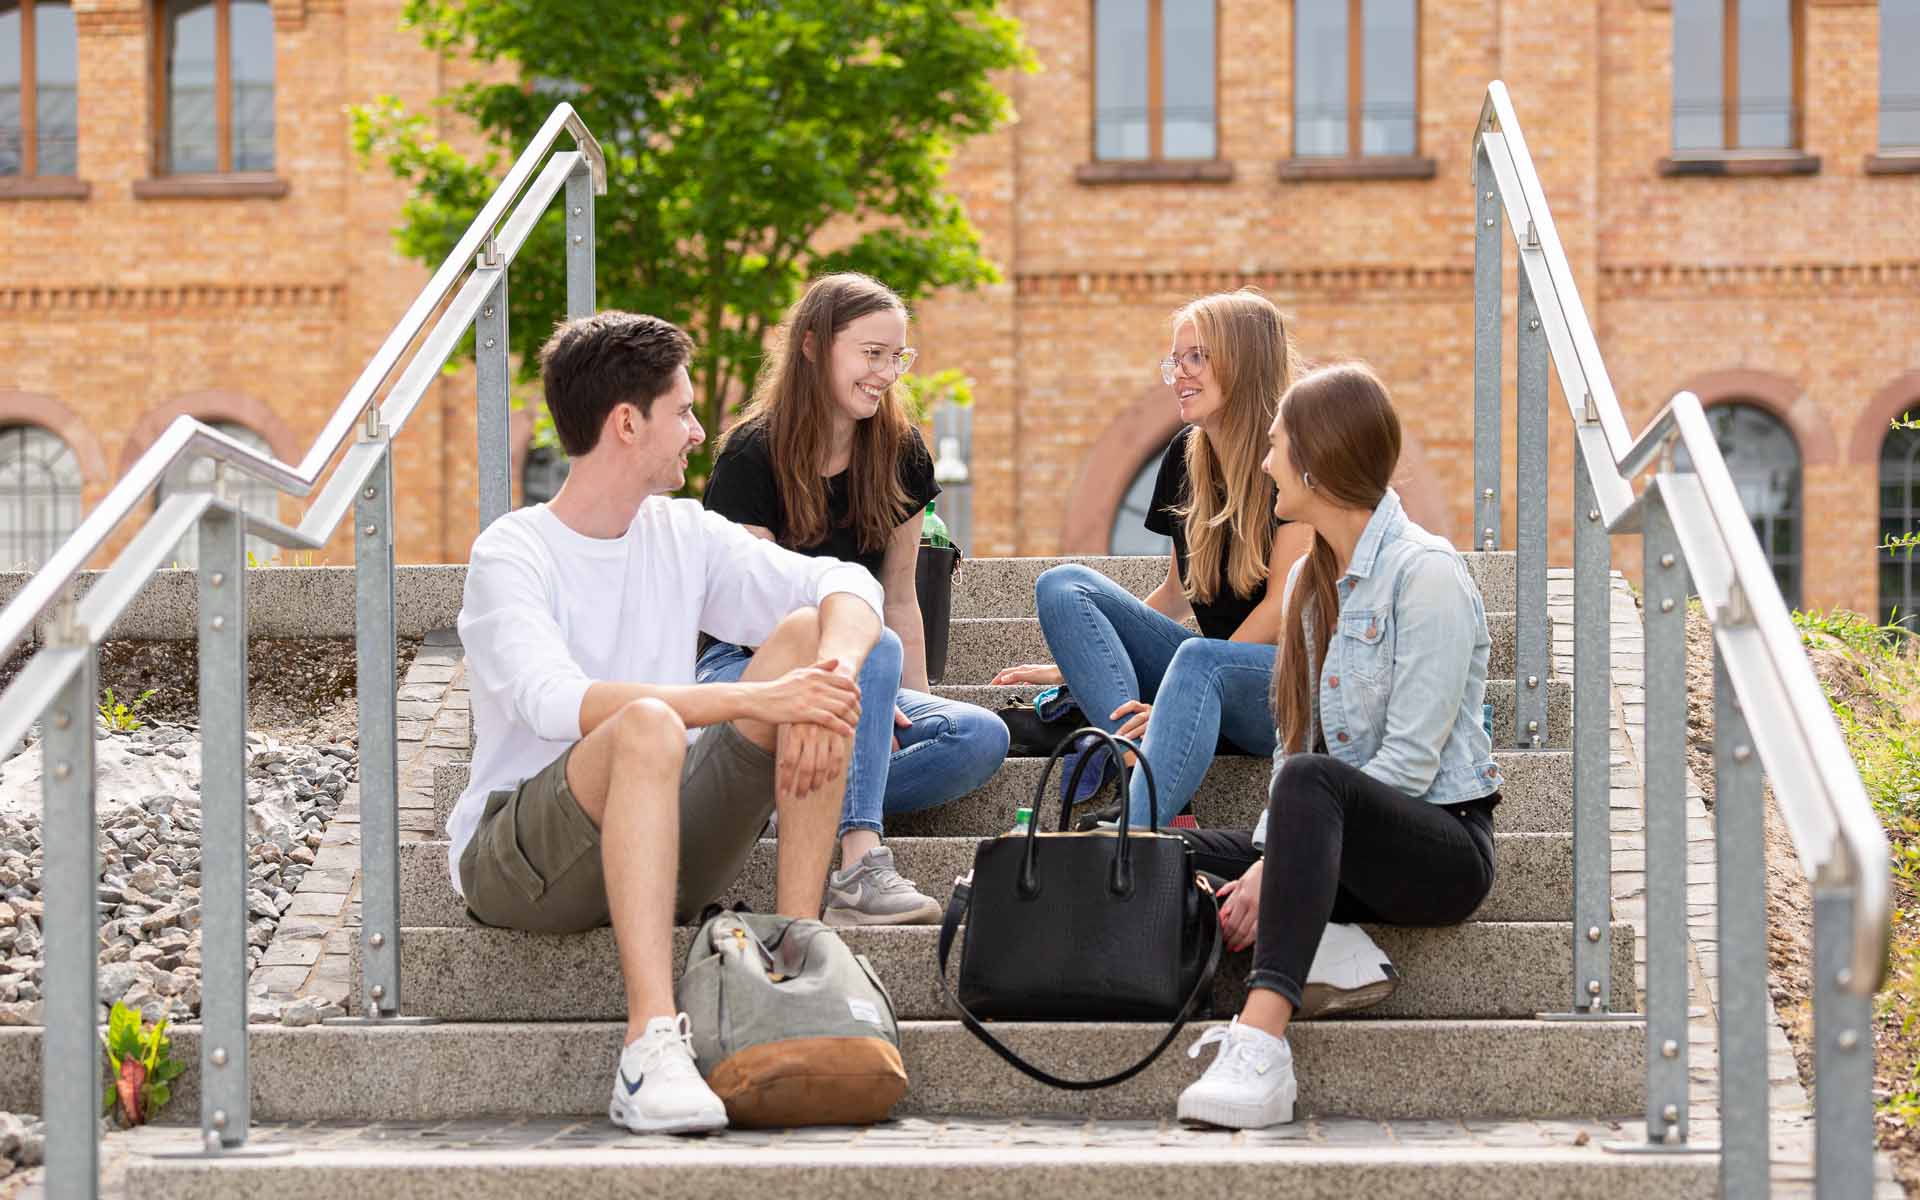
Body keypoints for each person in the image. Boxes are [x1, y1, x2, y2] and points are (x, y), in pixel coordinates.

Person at [451, 311, 885, 1135]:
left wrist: (831, 679)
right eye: (682, 411)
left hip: (659, 833)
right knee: (647, 720)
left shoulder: (684, 533)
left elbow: (845, 586)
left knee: (808, 640)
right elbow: (557, 703)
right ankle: (649, 1045)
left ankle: (798, 971)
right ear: (626, 423)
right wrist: (761, 701)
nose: (698, 430)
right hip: (522, 858)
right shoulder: (514, 552)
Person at [1175, 362, 1504, 1130]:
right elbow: (1294, 745)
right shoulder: (1309, 585)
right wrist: (1268, 857)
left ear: (1316, 461)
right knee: (1170, 854)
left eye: (1277, 445)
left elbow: (1411, 767)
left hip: (1441, 848)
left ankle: (1261, 1046)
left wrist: (1275, 862)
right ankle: (1327, 942)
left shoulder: (1426, 575)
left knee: (1312, 785)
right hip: (1332, 840)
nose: (1264, 463)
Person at [702, 273, 1009, 926]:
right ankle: (858, 865)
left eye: (897, 356)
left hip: (860, 673)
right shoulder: (750, 457)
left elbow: (900, 597)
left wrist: (897, 697)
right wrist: (859, 682)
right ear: (813, 346)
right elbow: (750, 617)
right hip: (750, 669)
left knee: (980, 734)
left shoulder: (900, 454)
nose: (887, 373)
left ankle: (799, 797)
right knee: (866, 641)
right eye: (871, 353)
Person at [994, 290, 1315, 826]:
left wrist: (1187, 682)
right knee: (1062, 584)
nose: (1179, 374)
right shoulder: (1186, 456)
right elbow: (1174, 594)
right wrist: (1081, 661)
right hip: (1204, 668)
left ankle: (1137, 820)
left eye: (1197, 357)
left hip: (1278, 691)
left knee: (1198, 658)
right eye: (1175, 360)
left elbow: (1285, 605)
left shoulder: (1294, 455)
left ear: (1245, 361)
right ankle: (1143, 767)